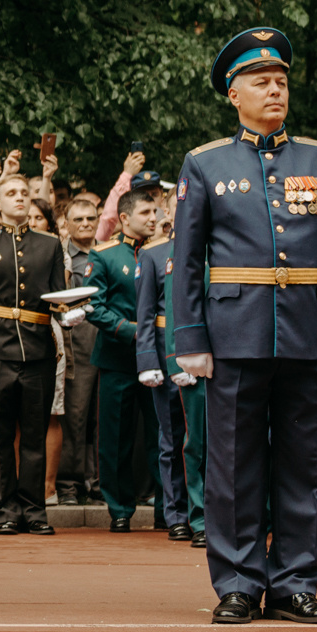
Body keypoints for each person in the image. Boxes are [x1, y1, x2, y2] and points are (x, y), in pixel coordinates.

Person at [171, 26, 317, 625]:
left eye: (280, 81)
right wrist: (190, 338)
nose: (275, 90)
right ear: (234, 93)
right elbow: (187, 260)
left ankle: (295, 582)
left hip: (307, 330)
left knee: (306, 463)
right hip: (235, 331)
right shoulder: (205, 163)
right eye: (261, 81)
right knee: (232, 464)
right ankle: (237, 580)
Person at [0, 170, 69, 534]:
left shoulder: (50, 245)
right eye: (12, 193)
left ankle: (35, 512)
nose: (20, 198)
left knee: (35, 439)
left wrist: (69, 314)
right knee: (0, 439)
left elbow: (58, 297)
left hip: (38, 350)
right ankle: (6, 512)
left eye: (25, 192)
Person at [82, 187, 159, 532]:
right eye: (146, 213)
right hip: (118, 356)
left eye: (155, 212)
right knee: (114, 438)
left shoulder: (164, 252)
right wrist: (130, 330)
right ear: (125, 218)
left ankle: (168, 510)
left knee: (163, 436)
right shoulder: (105, 256)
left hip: (159, 357)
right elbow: (92, 305)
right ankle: (120, 509)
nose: (153, 219)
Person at [131, 175, 197, 539]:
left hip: (203, 355)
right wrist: (147, 360)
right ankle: (175, 514)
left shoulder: (209, 250)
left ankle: (204, 509)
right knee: (171, 438)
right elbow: (144, 314)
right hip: (163, 350)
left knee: (202, 439)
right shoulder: (154, 253)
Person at [54, 191, 104, 506]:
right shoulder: (59, 256)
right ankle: (69, 484)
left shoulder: (109, 253)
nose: (85, 224)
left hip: (110, 338)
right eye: (78, 220)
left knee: (103, 418)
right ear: (67, 224)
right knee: (75, 416)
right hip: (76, 340)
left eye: (90, 219)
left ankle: (99, 484)